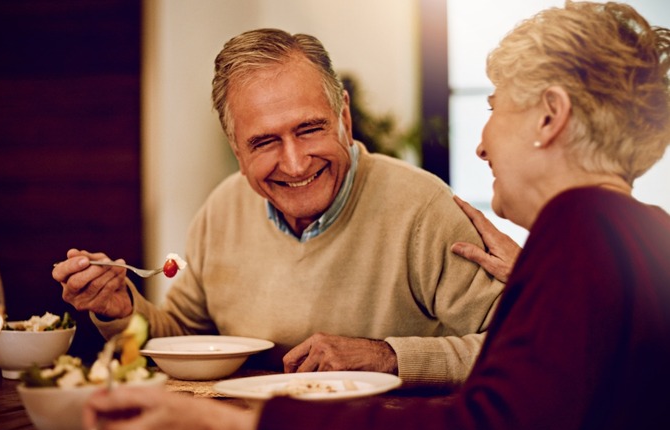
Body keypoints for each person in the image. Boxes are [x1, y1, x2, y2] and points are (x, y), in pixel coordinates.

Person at [81, 2, 670, 430]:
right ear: (235, 145)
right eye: (265, 141)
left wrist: (237, 426)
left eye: (493, 108)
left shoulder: (577, 236)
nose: (481, 145)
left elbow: (483, 424)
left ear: (549, 118)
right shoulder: (637, 234)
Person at [52, 28, 506, 386]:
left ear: (344, 117)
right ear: (235, 146)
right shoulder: (222, 209)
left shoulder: (424, 209)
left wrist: (387, 356)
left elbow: (523, 348)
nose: (294, 163)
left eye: (309, 129)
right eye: (265, 141)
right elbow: (187, 341)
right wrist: (120, 309)